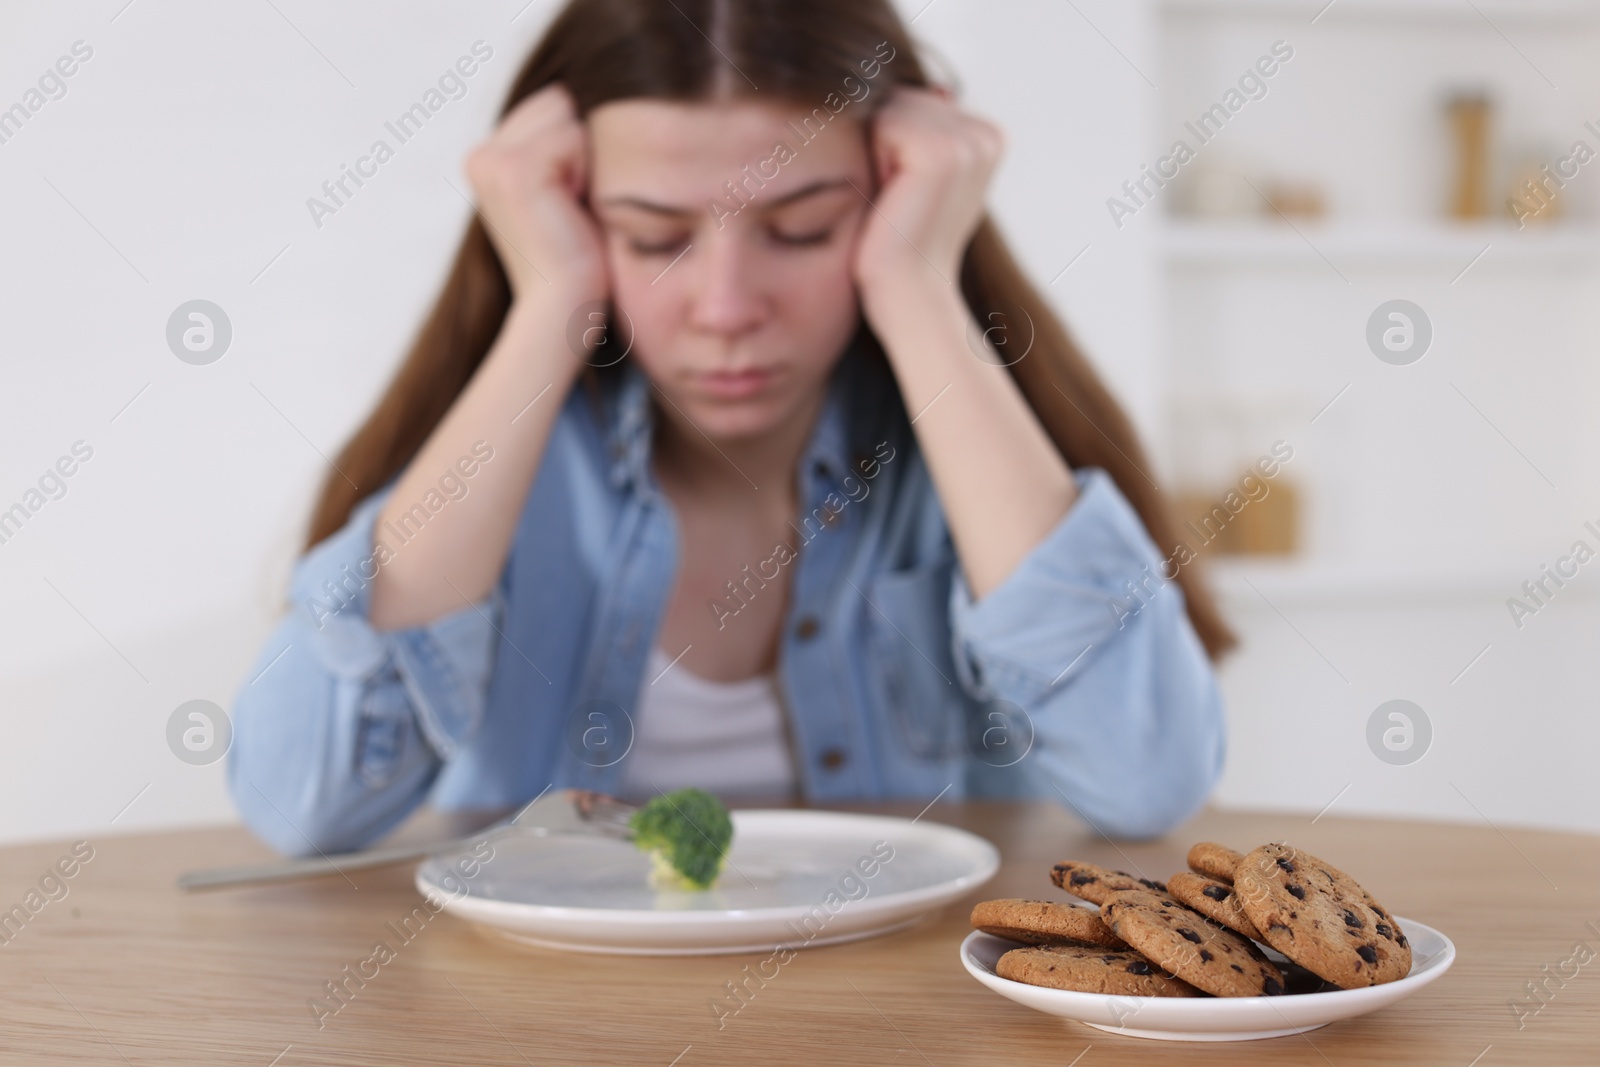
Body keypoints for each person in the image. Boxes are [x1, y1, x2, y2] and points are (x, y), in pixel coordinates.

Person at [227, 0, 1234, 857]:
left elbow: (1145, 781)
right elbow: (300, 807)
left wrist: (921, 283)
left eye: (802, 228)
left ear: (894, 202)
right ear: (570, 219)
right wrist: (552, 304)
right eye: (652, 235)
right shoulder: (511, 472)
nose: (723, 305)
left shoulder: (958, 459)